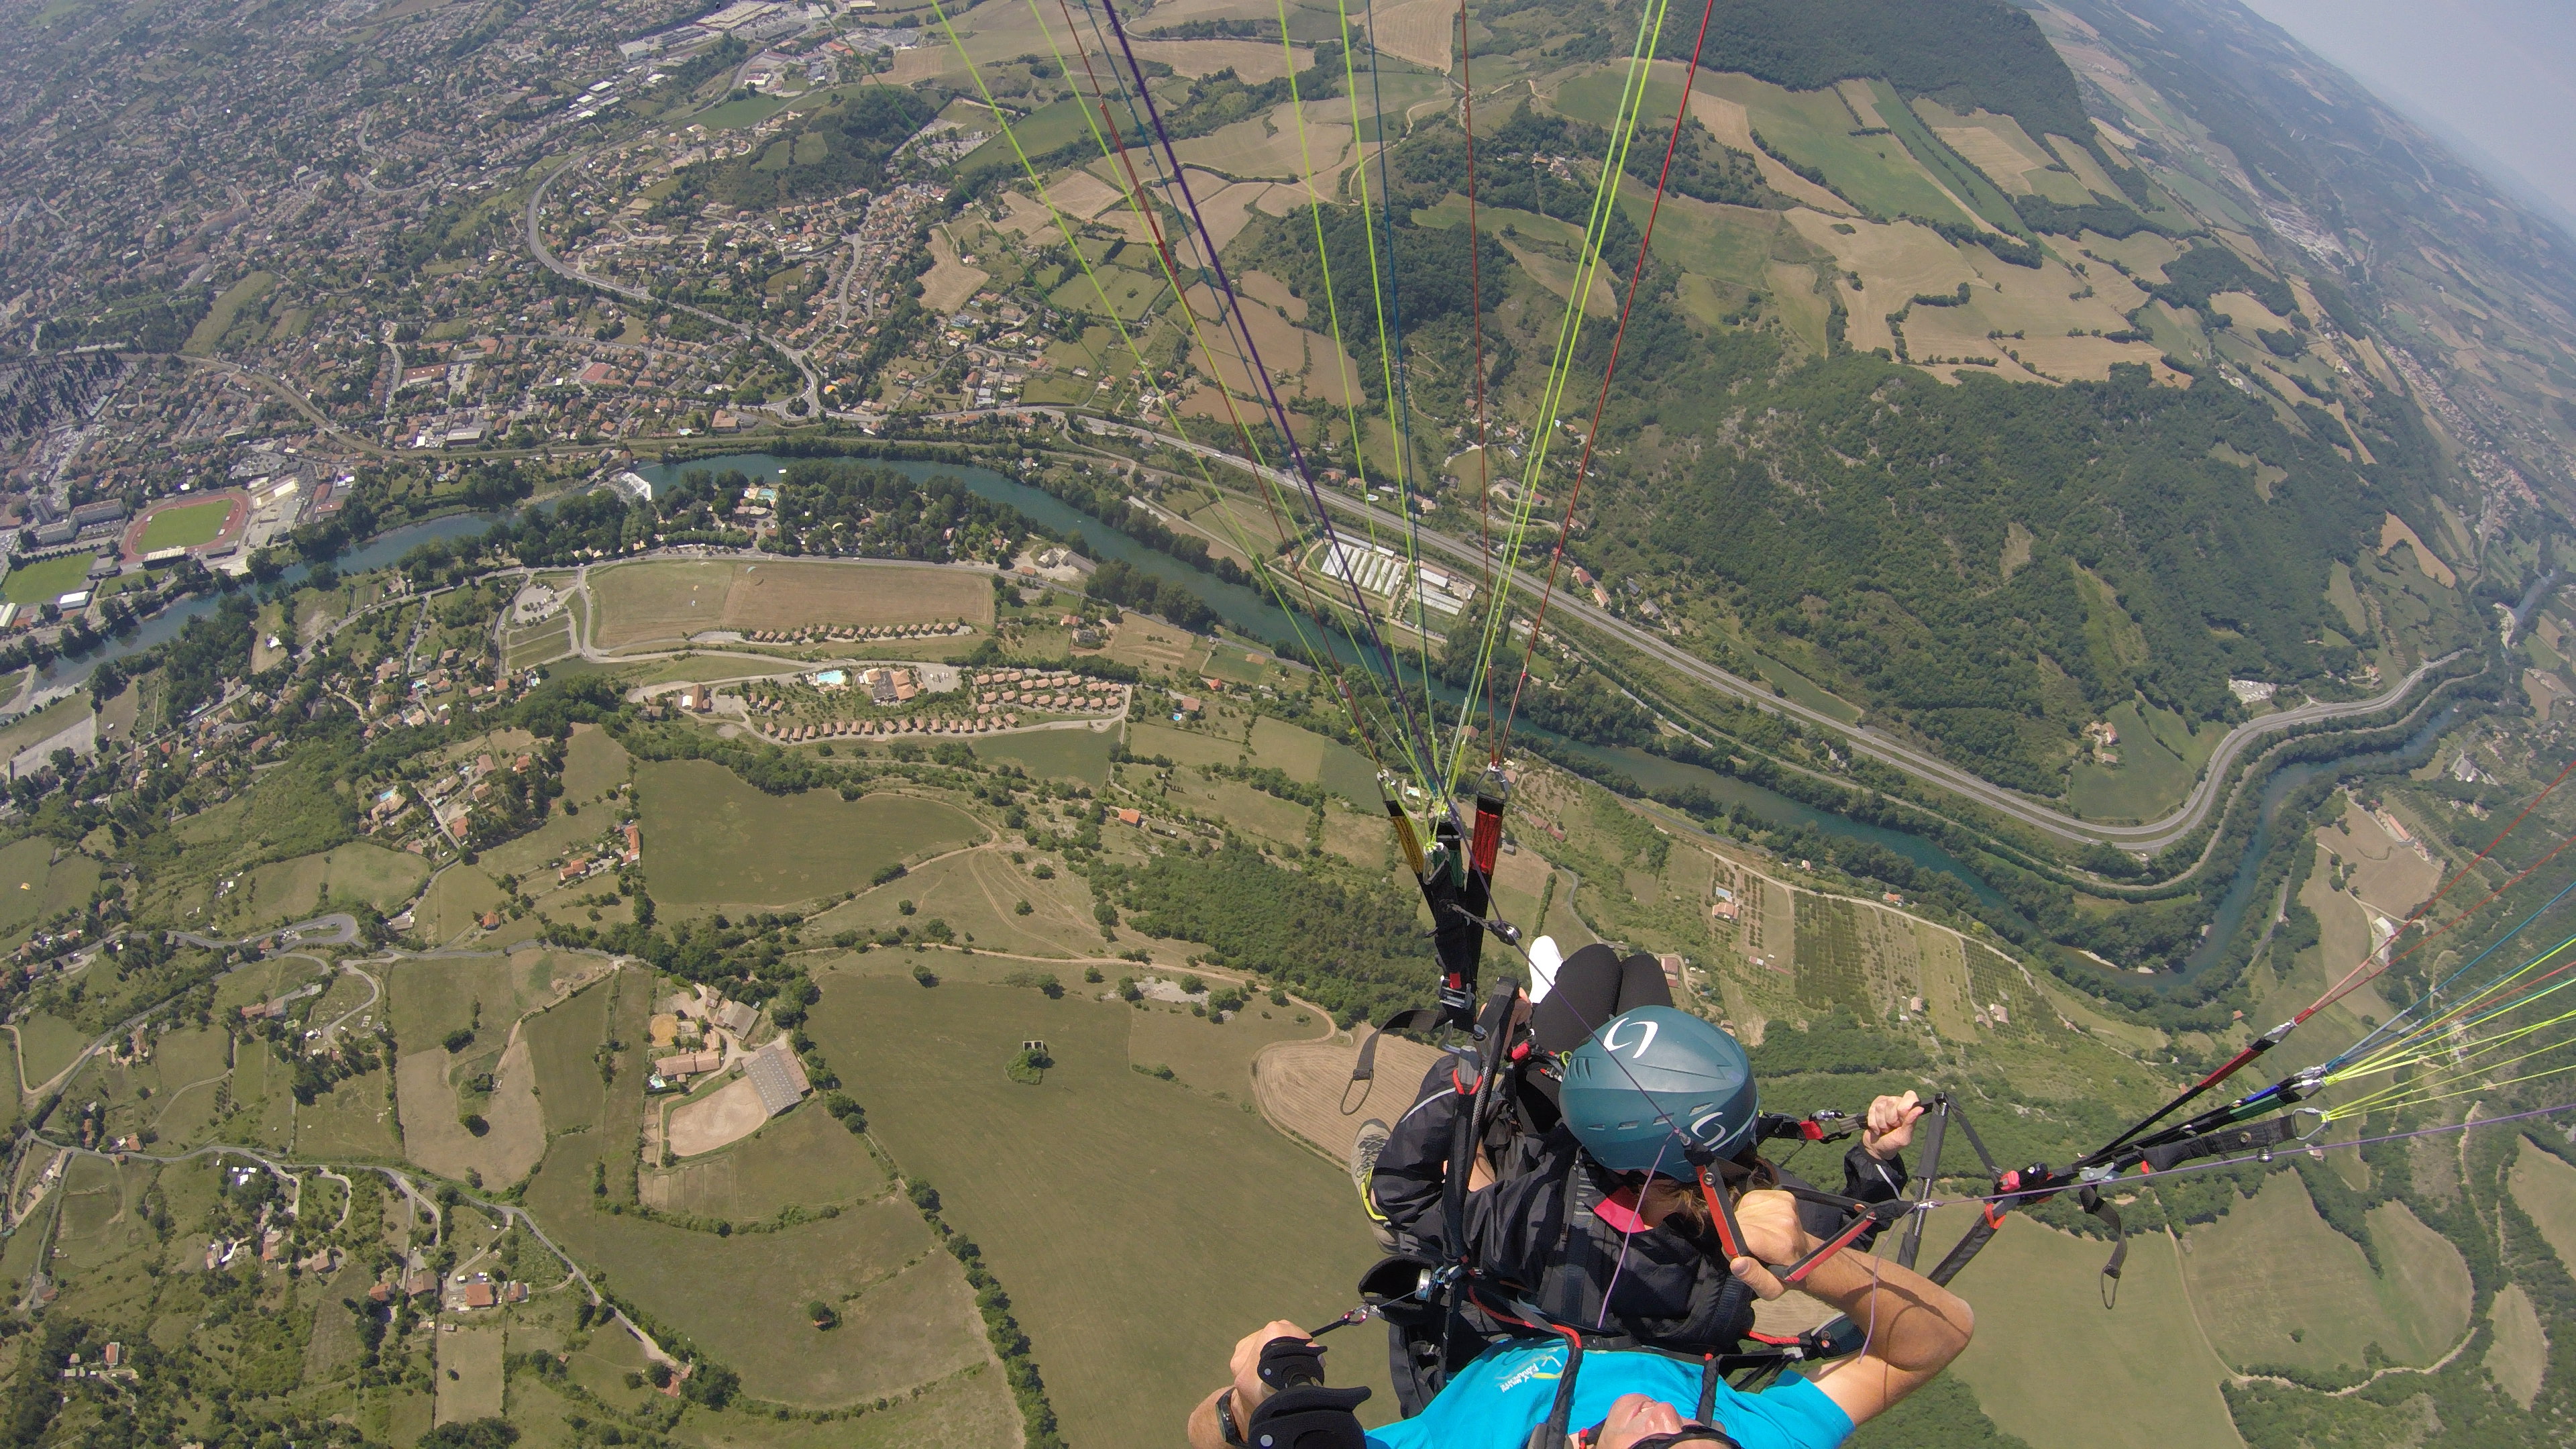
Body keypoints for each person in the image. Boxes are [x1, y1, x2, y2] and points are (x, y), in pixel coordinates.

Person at [1360, 943, 1923, 1409]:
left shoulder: (1544, 1225)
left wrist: (1479, 1063)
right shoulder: (1746, 1219)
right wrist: (1876, 1159)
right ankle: (1574, 1017)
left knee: (1596, 964)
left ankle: (1555, 1021)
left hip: (1539, 1172)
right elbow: (1852, 1231)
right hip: (1631, 1179)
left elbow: (1402, 1195)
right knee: (1641, 969)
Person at [1187, 1183, 1976, 1449]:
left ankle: (1407, 1190)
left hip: (1508, 1332)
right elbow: (1935, 1341)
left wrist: (1252, 1403)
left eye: (1658, 1445)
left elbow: (1205, 1434)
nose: (1669, 1416)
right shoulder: (1763, 1439)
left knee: (1482, 1185)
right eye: (1704, 1437)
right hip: (1665, 1325)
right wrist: (1808, 1258)